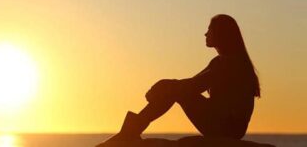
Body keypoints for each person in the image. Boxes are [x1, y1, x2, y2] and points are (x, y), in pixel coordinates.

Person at [97, 14, 261, 146]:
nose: (205, 33)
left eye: (209, 29)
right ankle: (130, 131)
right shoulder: (220, 62)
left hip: (227, 128)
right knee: (176, 89)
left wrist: (165, 85)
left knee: (177, 90)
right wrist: (167, 86)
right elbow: (192, 82)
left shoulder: (230, 63)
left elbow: (192, 87)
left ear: (220, 33)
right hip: (222, 123)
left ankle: (129, 132)